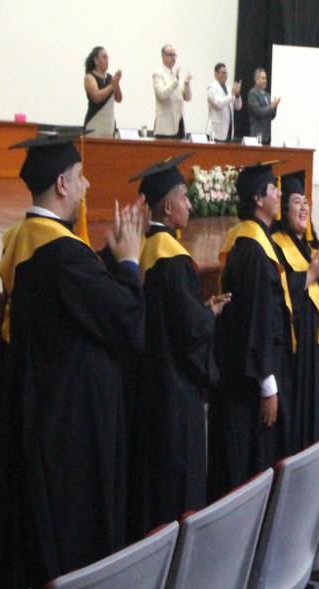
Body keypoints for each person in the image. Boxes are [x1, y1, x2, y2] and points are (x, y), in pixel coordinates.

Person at [0, 129, 146, 589]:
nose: (87, 185)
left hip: (40, 414)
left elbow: (78, 297)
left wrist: (108, 260)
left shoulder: (26, 242)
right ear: (61, 184)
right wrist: (132, 264)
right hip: (71, 430)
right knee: (74, 541)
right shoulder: (60, 256)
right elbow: (127, 320)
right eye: (80, 176)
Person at [125, 153, 228, 540]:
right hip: (175, 395)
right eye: (184, 198)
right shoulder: (173, 258)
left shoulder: (144, 250)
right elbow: (190, 333)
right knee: (176, 486)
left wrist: (198, 312)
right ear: (167, 207)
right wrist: (209, 317)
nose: (190, 205)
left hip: (148, 384)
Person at [209, 161, 295, 499]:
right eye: (274, 190)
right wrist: (268, 385)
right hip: (251, 382)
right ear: (259, 199)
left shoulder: (247, 243)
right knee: (250, 462)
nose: (279, 194)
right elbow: (257, 322)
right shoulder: (254, 253)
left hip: (244, 373)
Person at [270, 170, 319, 449]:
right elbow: (278, 292)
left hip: (316, 346)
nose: (305, 207)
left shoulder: (311, 247)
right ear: (285, 210)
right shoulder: (276, 246)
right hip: (294, 348)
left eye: (306, 202)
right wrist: (310, 274)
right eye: (298, 201)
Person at [152, 44, 191, 139]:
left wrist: (186, 85)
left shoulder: (176, 73)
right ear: (163, 56)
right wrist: (175, 81)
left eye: (174, 55)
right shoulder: (158, 73)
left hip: (179, 123)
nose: (173, 58)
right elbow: (162, 94)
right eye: (170, 55)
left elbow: (187, 97)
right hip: (165, 127)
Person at [83, 46, 122, 137]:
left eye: (107, 58)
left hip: (109, 126)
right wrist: (112, 85)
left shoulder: (110, 78)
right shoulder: (89, 77)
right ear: (96, 60)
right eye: (104, 58)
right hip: (94, 125)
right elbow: (96, 97)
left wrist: (117, 83)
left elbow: (119, 99)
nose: (107, 60)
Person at [206, 62, 242, 142]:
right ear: (216, 74)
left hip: (228, 130)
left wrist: (237, 95)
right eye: (223, 73)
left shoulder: (229, 88)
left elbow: (238, 107)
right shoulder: (211, 88)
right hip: (216, 131)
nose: (225, 75)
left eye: (226, 73)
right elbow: (219, 104)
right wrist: (231, 94)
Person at [247, 68, 279, 145]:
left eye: (266, 78)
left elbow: (272, 116)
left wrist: (275, 107)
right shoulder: (253, 93)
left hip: (267, 136)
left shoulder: (267, 95)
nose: (265, 81)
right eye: (263, 78)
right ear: (257, 80)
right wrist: (271, 107)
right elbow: (258, 113)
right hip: (257, 136)